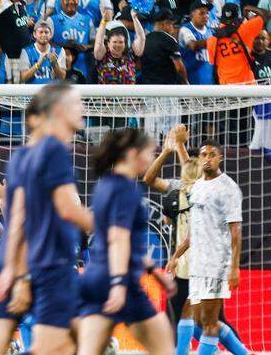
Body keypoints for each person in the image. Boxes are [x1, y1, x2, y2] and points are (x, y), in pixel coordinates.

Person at [0, 83, 94, 355]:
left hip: (35, 262)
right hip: (46, 264)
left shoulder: (24, 156)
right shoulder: (52, 152)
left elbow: (18, 218)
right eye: (77, 103)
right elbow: (66, 210)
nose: (83, 109)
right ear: (58, 111)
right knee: (56, 346)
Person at [75, 128, 177, 355]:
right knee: (165, 349)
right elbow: (119, 239)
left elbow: (123, 240)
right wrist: (119, 284)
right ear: (133, 154)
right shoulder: (126, 191)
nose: (151, 158)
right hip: (121, 283)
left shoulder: (104, 185)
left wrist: (154, 271)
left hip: (95, 279)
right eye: (149, 152)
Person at [167, 143, 248, 355]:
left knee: (209, 323)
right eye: (204, 154)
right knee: (188, 315)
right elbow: (194, 229)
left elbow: (236, 230)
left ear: (220, 158)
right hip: (198, 262)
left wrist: (234, 267)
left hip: (217, 263)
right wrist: (176, 255)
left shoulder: (228, 188)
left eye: (212, 155)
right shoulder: (198, 187)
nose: (207, 158)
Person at [206, 4, 266, 84]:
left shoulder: (211, 40)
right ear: (237, 19)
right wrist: (250, 9)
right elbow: (263, 17)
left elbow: (212, 63)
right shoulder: (246, 29)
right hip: (248, 87)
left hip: (227, 89)